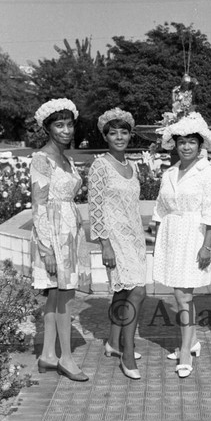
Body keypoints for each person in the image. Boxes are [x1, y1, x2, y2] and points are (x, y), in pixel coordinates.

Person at [153, 112, 211, 378]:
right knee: (180, 294)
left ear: (200, 144)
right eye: (181, 141)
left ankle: (185, 351)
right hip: (172, 235)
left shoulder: (209, 174)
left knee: (183, 296)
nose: (186, 146)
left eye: (191, 142)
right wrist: (159, 237)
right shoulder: (169, 173)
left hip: (194, 237)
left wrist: (206, 246)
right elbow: (161, 208)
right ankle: (192, 341)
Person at [31, 98, 90, 382]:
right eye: (59, 125)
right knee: (64, 297)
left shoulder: (65, 159)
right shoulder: (41, 159)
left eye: (69, 124)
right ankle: (66, 358)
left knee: (57, 295)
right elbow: (39, 205)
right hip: (53, 233)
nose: (66, 130)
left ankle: (47, 354)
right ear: (48, 128)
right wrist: (46, 249)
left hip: (68, 229)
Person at [88, 107, 146, 380]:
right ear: (105, 136)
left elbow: (132, 206)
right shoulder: (99, 166)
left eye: (124, 132)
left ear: (130, 134)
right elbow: (95, 207)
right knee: (138, 291)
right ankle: (128, 350)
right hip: (114, 237)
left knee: (122, 292)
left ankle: (113, 341)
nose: (119, 137)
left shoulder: (132, 166)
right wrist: (105, 244)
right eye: (113, 132)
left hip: (133, 237)